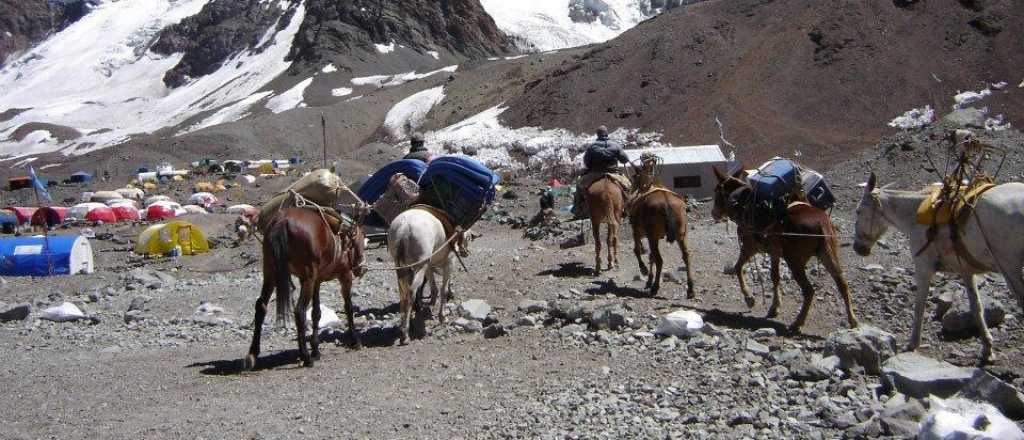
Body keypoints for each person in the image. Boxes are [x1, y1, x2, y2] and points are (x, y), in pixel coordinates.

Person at [571, 126, 632, 219]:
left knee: (579, 185)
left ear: (598, 134)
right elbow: (625, 159)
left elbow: (586, 162)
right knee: (628, 185)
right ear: (607, 133)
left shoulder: (592, 147)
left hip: (594, 173)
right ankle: (627, 207)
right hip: (613, 172)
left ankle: (578, 208)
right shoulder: (616, 145)